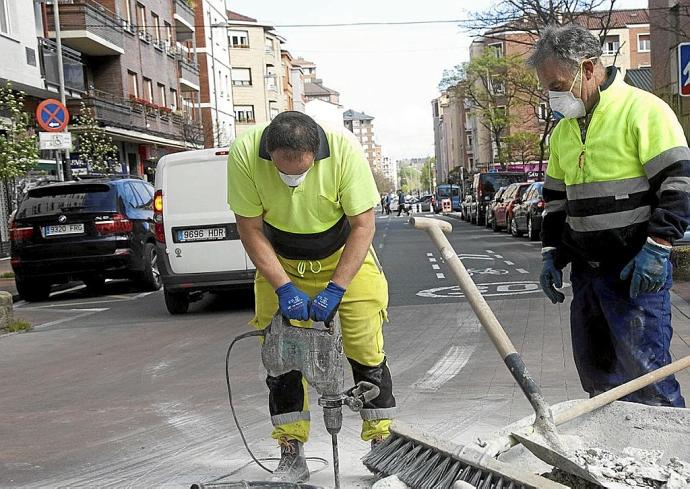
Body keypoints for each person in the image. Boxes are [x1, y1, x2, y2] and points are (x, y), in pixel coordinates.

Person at [227, 112, 396, 483]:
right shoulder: (243, 153)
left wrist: (337, 287)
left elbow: (364, 224)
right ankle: (291, 452)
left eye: (301, 171)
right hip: (281, 260)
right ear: (268, 152)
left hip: (343, 256)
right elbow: (249, 227)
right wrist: (282, 286)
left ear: (315, 152)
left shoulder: (344, 150)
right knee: (281, 355)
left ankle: (382, 445)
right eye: (284, 171)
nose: (292, 180)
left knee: (365, 348)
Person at [531, 24, 689, 407]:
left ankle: (671, 463)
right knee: (599, 379)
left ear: (588, 69)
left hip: (635, 270)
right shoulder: (565, 131)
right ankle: (613, 462)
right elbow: (556, 200)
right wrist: (552, 252)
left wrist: (658, 246)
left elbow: (679, 185)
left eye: (557, 83)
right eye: (546, 86)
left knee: (647, 378)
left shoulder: (644, 111)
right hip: (588, 274)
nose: (552, 95)